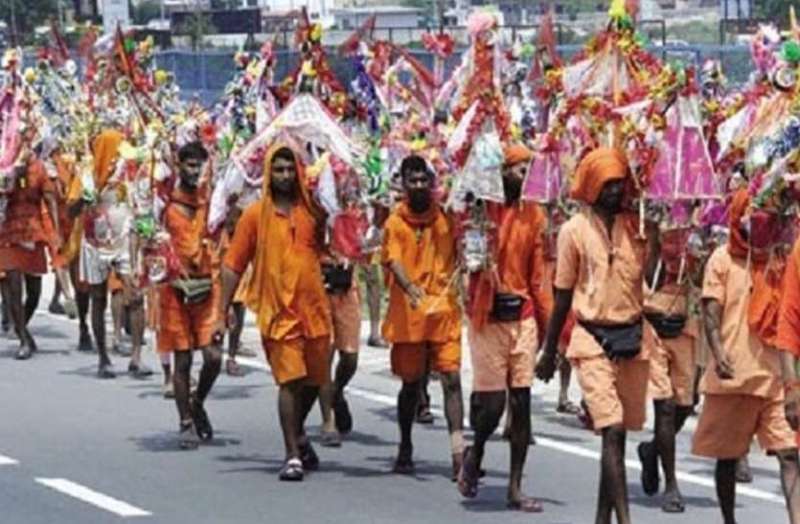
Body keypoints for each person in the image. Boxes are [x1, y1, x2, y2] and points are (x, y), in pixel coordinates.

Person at [536, 147, 661, 524]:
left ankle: (602, 518)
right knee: (612, 428)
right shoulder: (573, 230)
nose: (615, 190)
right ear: (591, 185)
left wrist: (655, 238)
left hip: (633, 338)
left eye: (619, 183)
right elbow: (562, 296)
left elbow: (653, 281)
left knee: (617, 437)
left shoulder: (637, 227)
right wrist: (549, 351)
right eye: (607, 184)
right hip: (592, 339)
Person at [218, 144, 331, 481]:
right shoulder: (255, 215)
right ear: (269, 173)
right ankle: (292, 454)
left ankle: (298, 433)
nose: (285, 175)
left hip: (314, 310)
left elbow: (330, 246)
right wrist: (222, 311)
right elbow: (233, 265)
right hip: (278, 313)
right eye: (278, 170)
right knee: (290, 381)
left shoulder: (313, 211)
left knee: (315, 381)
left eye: (290, 169)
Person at [694, 189, 799, 524]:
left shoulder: (781, 260)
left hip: (775, 379)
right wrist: (718, 350)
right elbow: (711, 311)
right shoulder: (722, 259)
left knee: (790, 454)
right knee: (728, 458)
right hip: (734, 377)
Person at [458, 144, 552, 512]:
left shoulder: (535, 215)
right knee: (493, 405)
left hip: (522, 317)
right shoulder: (480, 210)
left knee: (521, 404)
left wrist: (548, 333)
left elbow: (538, 277)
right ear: (503, 171)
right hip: (487, 318)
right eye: (519, 169)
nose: (524, 175)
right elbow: (466, 257)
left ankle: (514, 487)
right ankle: (476, 449)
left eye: (529, 168)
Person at [381, 154, 465, 478]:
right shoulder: (395, 222)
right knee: (411, 385)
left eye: (423, 180)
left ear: (431, 183)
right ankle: (405, 445)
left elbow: (464, 248)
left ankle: (458, 455)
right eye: (412, 180)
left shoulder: (446, 218)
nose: (418, 185)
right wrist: (408, 286)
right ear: (403, 184)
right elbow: (393, 259)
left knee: (452, 379)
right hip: (409, 315)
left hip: (444, 312)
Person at [157, 141, 222, 449]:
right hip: (176, 290)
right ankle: (185, 422)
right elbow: (152, 243)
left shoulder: (212, 202)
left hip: (208, 286)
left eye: (199, 165)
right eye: (190, 165)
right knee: (182, 360)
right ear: (179, 166)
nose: (195, 171)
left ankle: (197, 402)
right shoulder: (164, 203)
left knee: (213, 357)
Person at [637, 228, 698, 513]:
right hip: (653, 323)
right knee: (665, 407)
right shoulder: (647, 225)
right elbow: (647, 274)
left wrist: (698, 251)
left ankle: (652, 450)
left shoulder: (697, 228)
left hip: (684, 324)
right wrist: (656, 237)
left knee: (686, 404)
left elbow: (699, 281)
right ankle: (671, 484)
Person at [67, 129, 135, 378]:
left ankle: (136, 357)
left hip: (123, 241)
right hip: (94, 244)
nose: (119, 155)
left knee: (135, 293)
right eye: (115, 149)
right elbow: (70, 211)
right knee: (97, 298)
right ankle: (103, 358)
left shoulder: (126, 173)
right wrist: (85, 199)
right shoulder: (87, 175)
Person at [0, 143, 62, 359]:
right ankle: (23, 339)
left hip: (34, 233)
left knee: (34, 292)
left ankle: (22, 327)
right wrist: (12, 175)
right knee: (13, 288)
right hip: (8, 233)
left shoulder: (39, 168)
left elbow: (50, 199)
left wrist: (56, 231)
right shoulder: (5, 165)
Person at [318, 259, 361, 446]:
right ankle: (328, 421)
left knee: (350, 358)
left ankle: (335, 391)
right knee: (324, 356)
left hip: (346, 288)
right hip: (318, 287)